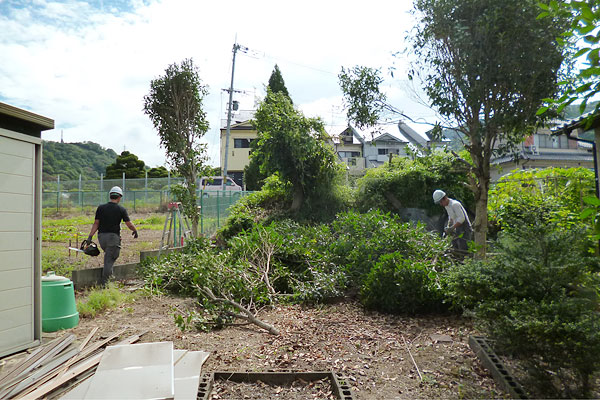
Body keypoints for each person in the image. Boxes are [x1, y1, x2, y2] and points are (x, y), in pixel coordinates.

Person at [86, 186, 138, 285]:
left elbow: (96, 223)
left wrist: (90, 236)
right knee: (109, 260)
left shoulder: (101, 208)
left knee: (109, 257)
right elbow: (129, 224)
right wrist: (135, 230)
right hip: (113, 238)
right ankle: (106, 284)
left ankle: (110, 280)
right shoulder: (121, 209)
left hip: (102, 238)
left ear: (110, 196)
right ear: (119, 197)